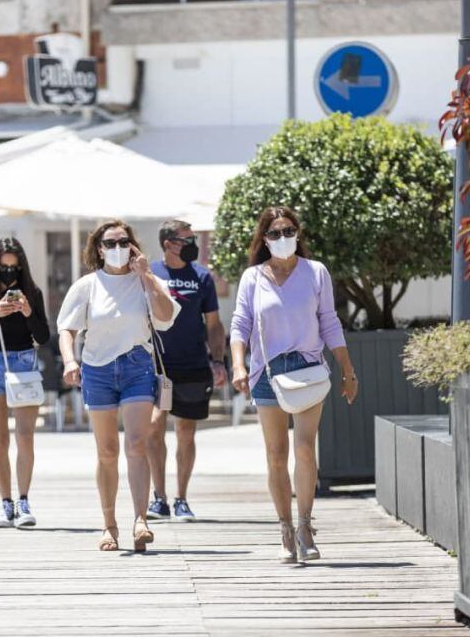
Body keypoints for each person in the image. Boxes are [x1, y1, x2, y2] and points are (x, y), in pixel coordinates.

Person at [229, 206, 358, 563]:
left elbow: (329, 322)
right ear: (264, 239)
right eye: (274, 233)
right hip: (267, 371)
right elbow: (240, 324)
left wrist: (347, 369)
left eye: (288, 231)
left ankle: (304, 525)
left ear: (298, 234)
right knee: (275, 455)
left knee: (304, 448)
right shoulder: (253, 277)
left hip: (307, 368)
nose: (282, 239)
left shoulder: (315, 272)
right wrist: (238, 365)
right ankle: (284, 527)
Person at [57, 220, 180, 553]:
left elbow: (167, 317)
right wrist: (70, 361)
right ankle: (109, 524)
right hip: (97, 369)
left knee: (137, 443)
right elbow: (66, 330)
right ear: (98, 249)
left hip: (137, 364)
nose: (117, 249)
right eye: (109, 243)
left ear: (134, 246)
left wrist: (147, 276)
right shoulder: (87, 286)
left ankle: (141, 518)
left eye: (123, 242)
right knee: (107, 451)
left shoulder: (145, 281)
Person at [145, 220, 227, 523]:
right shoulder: (151, 274)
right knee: (154, 427)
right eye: (186, 239)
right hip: (158, 366)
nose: (192, 244)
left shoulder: (202, 277)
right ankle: (159, 498)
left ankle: (181, 499)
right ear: (168, 243)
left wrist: (218, 360)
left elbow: (214, 324)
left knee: (186, 433)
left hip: (193, 365)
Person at [0, 238, 51, 528]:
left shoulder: (32, 292)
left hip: (25, 362)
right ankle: (6, 503)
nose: (8, 274)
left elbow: (43, 337)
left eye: (14, 268)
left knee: (25, 436)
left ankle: (24, 499)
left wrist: (27, 311)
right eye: (3, 268)